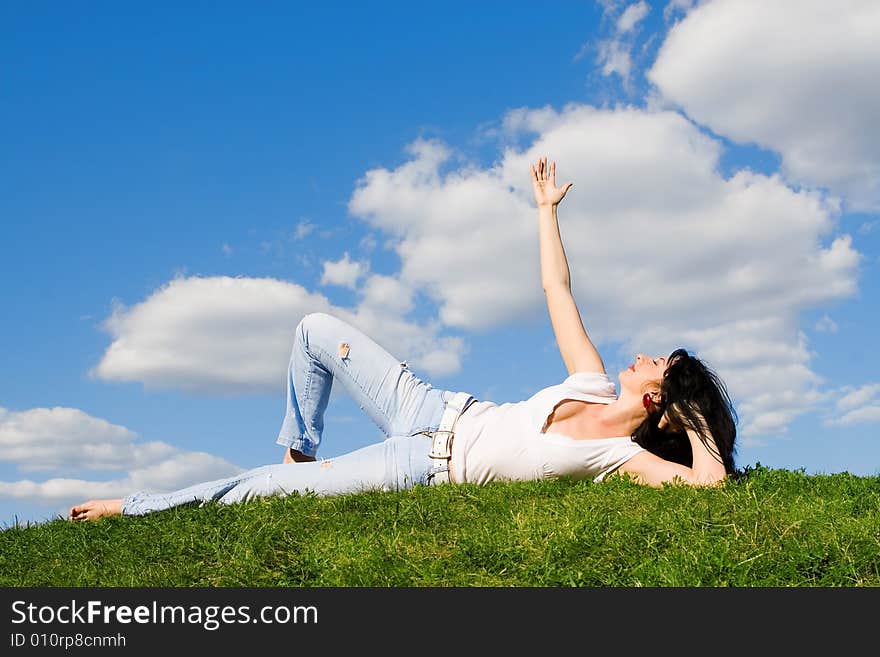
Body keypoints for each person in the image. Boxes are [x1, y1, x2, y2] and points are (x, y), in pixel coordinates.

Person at [69, 156, 737, 522]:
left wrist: (699, 419)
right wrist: (544, 214)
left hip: (422, 468)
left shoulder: (622, 458)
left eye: (663, 364)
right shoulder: (589, 377)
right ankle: (300, 462)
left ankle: (127, 507)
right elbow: (557, 291)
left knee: (257, 491)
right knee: (312, 331)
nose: (648, 354)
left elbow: (709, 486)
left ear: (662, 401)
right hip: (431, 407)